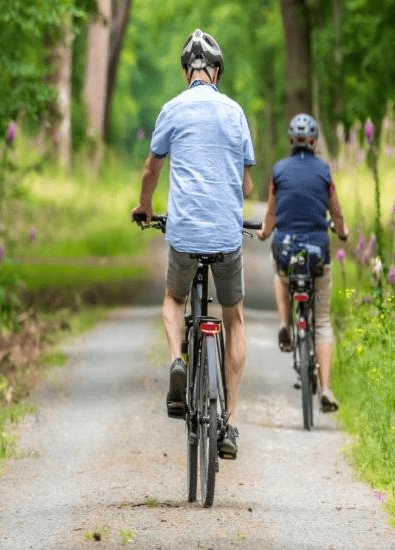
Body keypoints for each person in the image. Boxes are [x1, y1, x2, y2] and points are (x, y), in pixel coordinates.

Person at [131, 29, 255, 459]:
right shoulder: (235, 113)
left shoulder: (171, 109)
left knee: (173, 299)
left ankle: (177, 361)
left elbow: (151, 170)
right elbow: (246, 179)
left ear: (188, 73)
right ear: (216, 72)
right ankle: (230, 425)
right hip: (225, 234)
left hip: (183, 233)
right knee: (234, 317)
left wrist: (145, 208)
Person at [256, 113, 347, 412]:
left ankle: (285, 324)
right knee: (321, 321)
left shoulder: (279, 171)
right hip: (317, 252)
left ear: (291, 141)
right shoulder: (324, 171)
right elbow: (336, 213)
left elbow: (271, 214)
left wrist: (265, 232)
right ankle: (326, 389)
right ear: (314, 140)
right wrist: (342, 232)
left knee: (280, 274)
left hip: (286, 249)